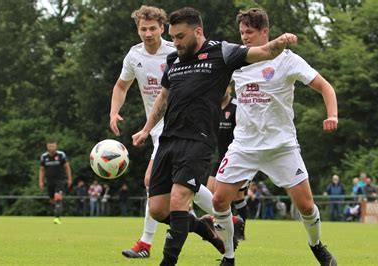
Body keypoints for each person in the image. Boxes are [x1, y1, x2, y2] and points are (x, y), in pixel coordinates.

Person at [131, 7, 299, 266]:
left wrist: (281, 41)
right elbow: (163, 99)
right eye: (173, 37)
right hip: (168, 139)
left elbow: (263, 52)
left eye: (180, 36)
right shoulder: (175, 60)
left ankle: (168, 262)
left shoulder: (222, 52)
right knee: (158, 209)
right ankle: (204, 229)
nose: (174, 43)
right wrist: (146, 128)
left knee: (179, 200)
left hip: (198, 140)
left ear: (198, 31)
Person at [211, 8, 338, 265]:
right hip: (244, 146)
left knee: (306, 206)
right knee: (218, 199)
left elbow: (325, 86)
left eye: (250, 32)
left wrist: (332, 115)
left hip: (281, 146)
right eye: (242, 32)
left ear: (265, 32)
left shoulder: (287, 60)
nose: (244, 37)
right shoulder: (237, 60)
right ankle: (228, 255)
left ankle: (317, 245)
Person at [109, 5, 216, 259]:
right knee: (176, 183)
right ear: (138, 30)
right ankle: (224, 214)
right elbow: (121, 86)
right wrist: (114, 112)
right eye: (143, 29)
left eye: (153, 28)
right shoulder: (134, 55)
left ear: (162, 28)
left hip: (178, 126)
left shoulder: (176, 49)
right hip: (155, 128)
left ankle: (146, 243)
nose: (148, 34)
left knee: (151, 180)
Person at [206, 84, 247, 240]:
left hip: (238, 159)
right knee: (210, 193)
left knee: (238, 197)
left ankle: (240, 231)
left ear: (229, 88)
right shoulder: (214, 108)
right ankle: (223, 227)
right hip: (220, 158)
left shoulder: (237, 107)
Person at [39, 140, 72, 224]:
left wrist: (69, 179)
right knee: (52, 200)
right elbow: (42, 170)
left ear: (56, 146)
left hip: (60, 180)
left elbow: (67, 167)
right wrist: (41, 181)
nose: (51, 148)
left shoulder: (61, 155)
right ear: (47, 146)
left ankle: (57, 218)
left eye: (53, 146)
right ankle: (57, 210)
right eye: (50, 146)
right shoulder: (44, 157)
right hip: (50, 181)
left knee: (57, 197)